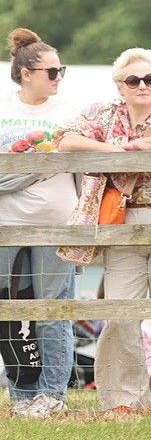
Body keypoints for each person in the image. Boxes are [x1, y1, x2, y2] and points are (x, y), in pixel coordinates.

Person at [54, 47, 151, 413]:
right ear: (119, 86)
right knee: (121, 310)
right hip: (124, 219)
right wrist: (111, 149)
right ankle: (122, 400)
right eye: (133, 80)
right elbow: (64, 139)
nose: (142, 85)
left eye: (149, 78)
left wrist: (128, 149)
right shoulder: (101, 114)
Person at [0, 28, 78, 417]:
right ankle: (21, 396)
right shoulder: (3, 109)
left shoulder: (69, 113)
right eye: (51, 71)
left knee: (53, 311)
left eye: (61, 70)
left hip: (56, 224)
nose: (58, 77)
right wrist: (36, 170)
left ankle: (53, 394)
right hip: (8, 227)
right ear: (26, 73)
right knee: (12, 312)